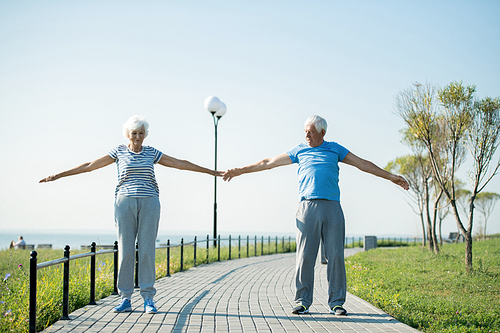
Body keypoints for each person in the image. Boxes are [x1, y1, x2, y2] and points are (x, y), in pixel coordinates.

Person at [223, 115, 409, 316]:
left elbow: (363, 164)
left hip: (332, 207)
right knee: (304, 256)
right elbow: (268, 163)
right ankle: (302, 301)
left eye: (310, 131)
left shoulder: (335, 149)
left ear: (322, 132)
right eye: (305, 131)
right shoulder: (299, 151)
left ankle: (336, 303)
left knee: (336, 256)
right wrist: (239, 170)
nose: (307, 135)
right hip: (307, 208)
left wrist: (392, 177)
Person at [40, 115, 222, 314]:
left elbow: (179, 163)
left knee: (146, 251)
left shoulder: (151, 153)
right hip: (124, 203)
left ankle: (148, 299)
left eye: (141, 133)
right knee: (126, 251)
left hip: (150, 202)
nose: (138, 137)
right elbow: (90, 165)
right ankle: (125, 298)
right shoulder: (118, 152)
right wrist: (58, 175)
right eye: (134, 133)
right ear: (128, 134)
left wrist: (210, 172)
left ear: (145, 135)